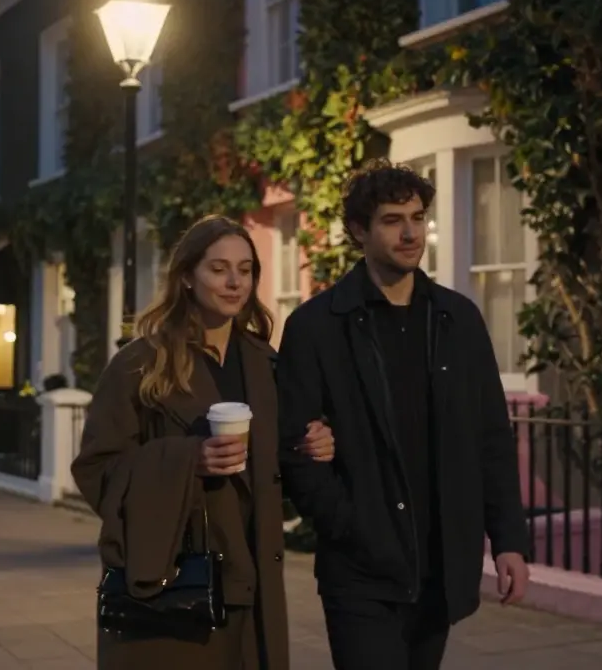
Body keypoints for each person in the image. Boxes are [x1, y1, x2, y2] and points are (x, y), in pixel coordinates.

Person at [277, 160, 531, 669]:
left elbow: (490, 438)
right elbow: (296, 448)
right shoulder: (316, 327)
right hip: (360, 570)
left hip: (440, 564)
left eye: (417, 217)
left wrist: (508, 542)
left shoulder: (457, 318)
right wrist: (350, 526)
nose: (412, 232)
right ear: (358, 230)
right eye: (393, 220)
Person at [73, 215, 334, 670]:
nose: (235, 282)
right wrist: (187, 459)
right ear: (188, 277)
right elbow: (96, 470)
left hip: (253, 583)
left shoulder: (266, 363)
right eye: (218, 269)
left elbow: (277, 471)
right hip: (173, 584)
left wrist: (314, 445)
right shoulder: (140, 366)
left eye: (246, 269)